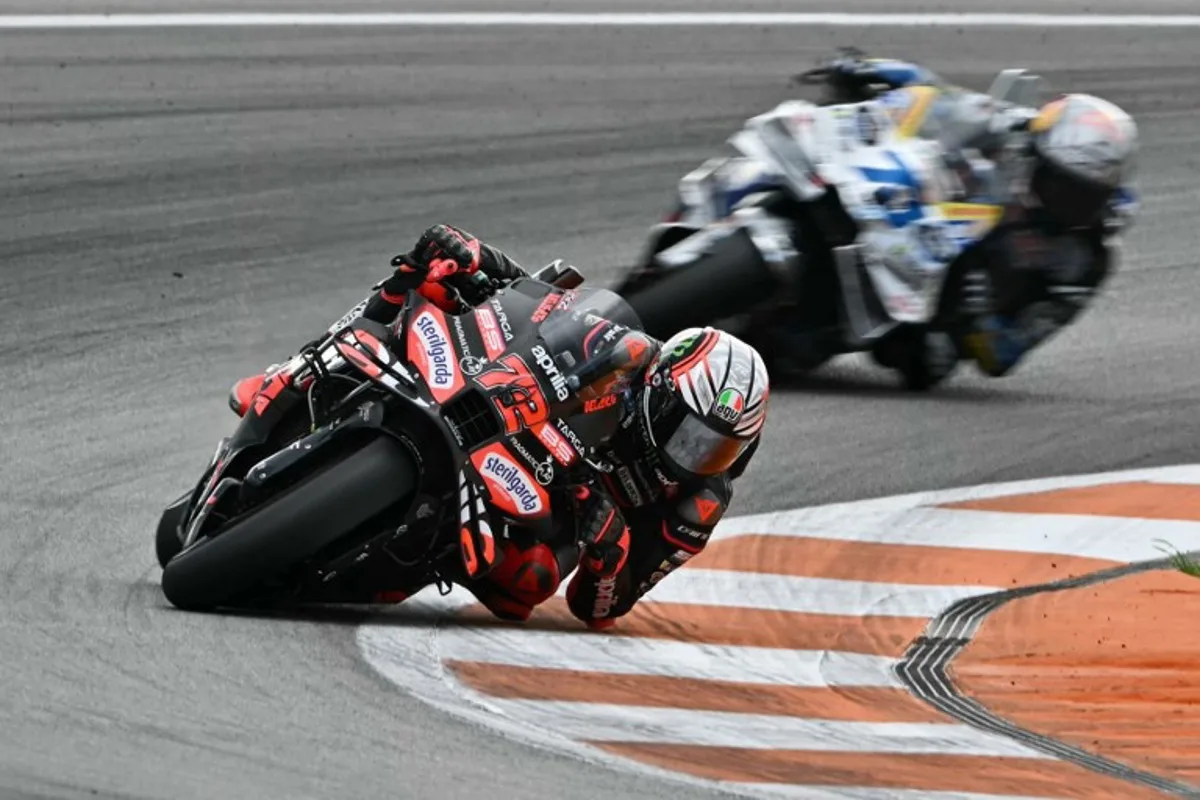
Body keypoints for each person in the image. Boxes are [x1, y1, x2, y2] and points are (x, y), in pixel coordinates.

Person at [228, 224, 770, 629]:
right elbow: (537, 298)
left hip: (552, 502)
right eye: (691, 434)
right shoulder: (626, 352)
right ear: (662, 389)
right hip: (503, 410)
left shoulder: (697, 503)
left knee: (527, 584)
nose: (693, 455)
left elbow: (602, 608)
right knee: (431, 277)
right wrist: (476, 256)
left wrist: (609, 556)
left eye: (716, 450)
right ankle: (300, 371)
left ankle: (405, 553)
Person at [801, 48, 1141, 381]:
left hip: (944, 315)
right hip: (913, 220)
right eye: (1058, 181)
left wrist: (980, 320)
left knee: (928, 359)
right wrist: (891, 73)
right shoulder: (1016, 132)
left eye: (1083, 194)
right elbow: (951, 102)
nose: (1066, 199)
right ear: (1039, 155)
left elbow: (1005, 356)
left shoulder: (1083, 260)